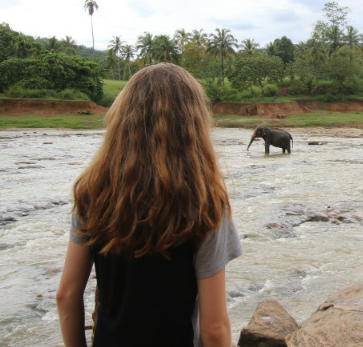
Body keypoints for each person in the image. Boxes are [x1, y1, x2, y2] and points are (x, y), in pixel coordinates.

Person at [56, 63, 243, 347]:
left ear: (123, 120)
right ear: (192, 125)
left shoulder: (94, 192)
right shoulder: (205, 203)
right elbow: (215, 328)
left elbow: (66, 295)